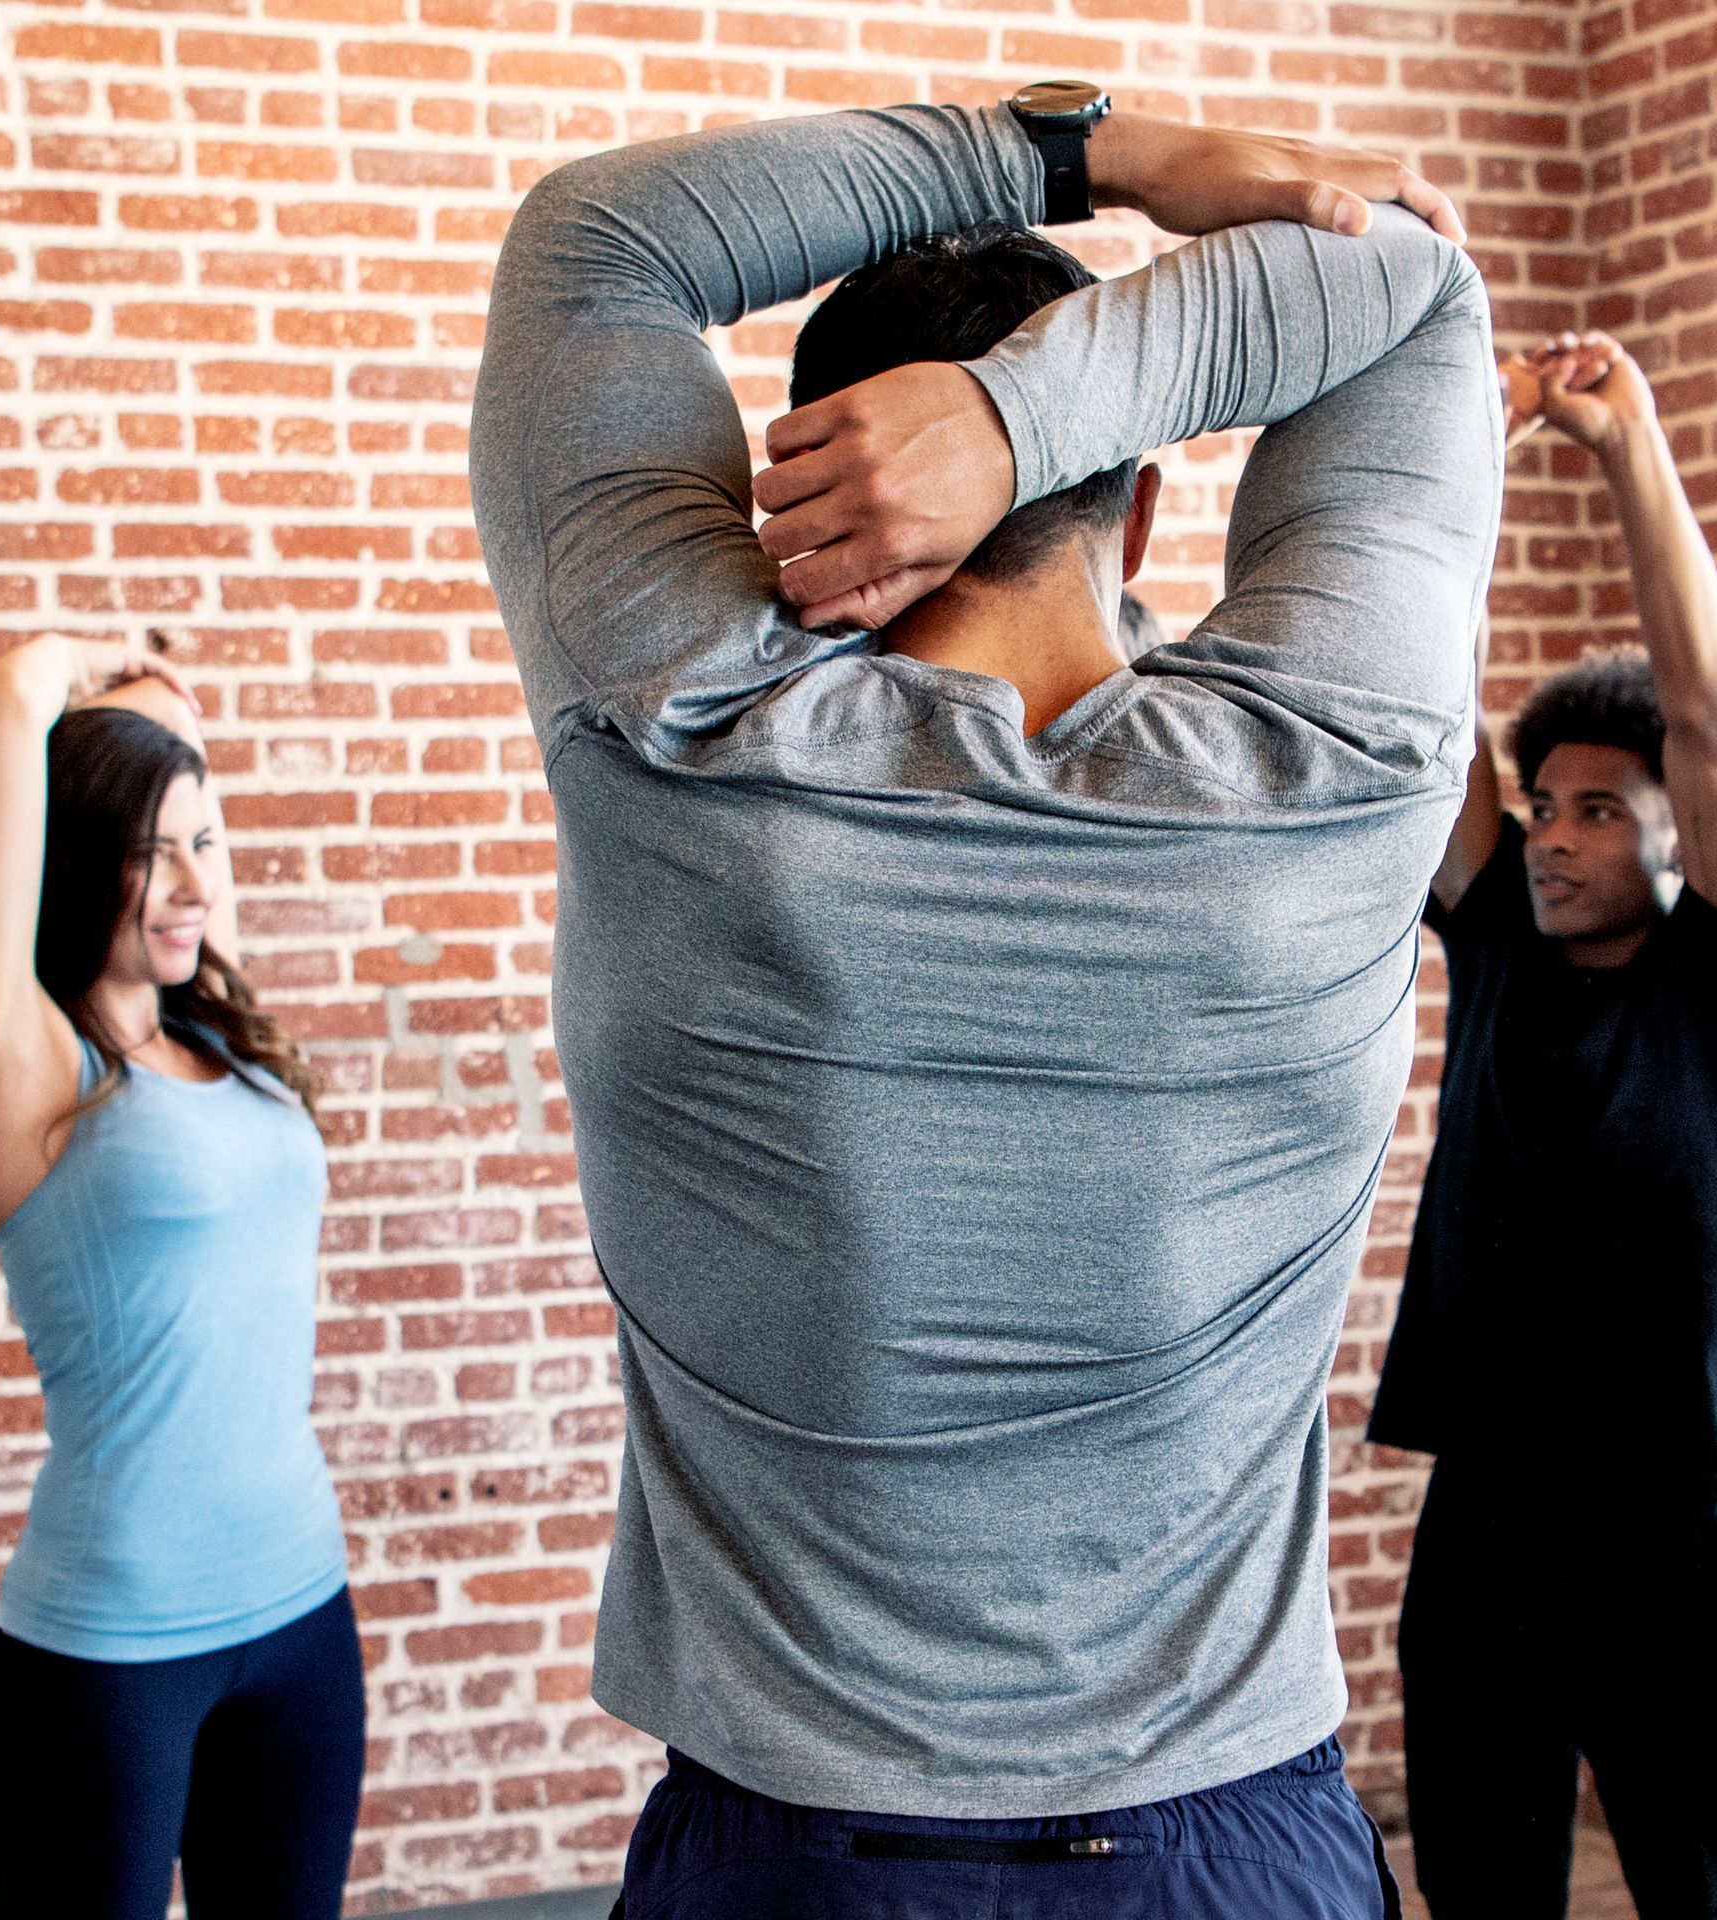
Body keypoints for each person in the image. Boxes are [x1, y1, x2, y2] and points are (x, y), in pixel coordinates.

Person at [471, 93, 1501, 1915]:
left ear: (793, 499)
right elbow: (1416, 281)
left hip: (791, 1857)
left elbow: (597, 243)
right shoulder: (1341, 769)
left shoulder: (676, 733)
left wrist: (1075, 151)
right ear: (1157, 490)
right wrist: (1024, 420)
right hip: (1226, 1846)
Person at [1368, 331, 1717, 1919]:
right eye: (1542, 806)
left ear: (1682, 835)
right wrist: (1457, 454)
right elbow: (1420, 694)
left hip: (1673, 1537)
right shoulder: (1496, 946)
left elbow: (1708, 701)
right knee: (1481, 1894)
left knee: (1699, 1894)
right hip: (1486, 1519)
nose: (1550, 835)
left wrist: (1626, 452)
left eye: (1598, 810)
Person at [0, 633, 365, 1920]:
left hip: (302, 1611)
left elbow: (180, 816)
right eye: (150, 850)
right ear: (82, 860)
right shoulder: (29, 1070)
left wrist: (164, 741)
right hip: (109, 1657)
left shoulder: (212, 1029)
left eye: (206, 843)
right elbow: (14, 695)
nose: (191, 883)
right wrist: (88, 679)